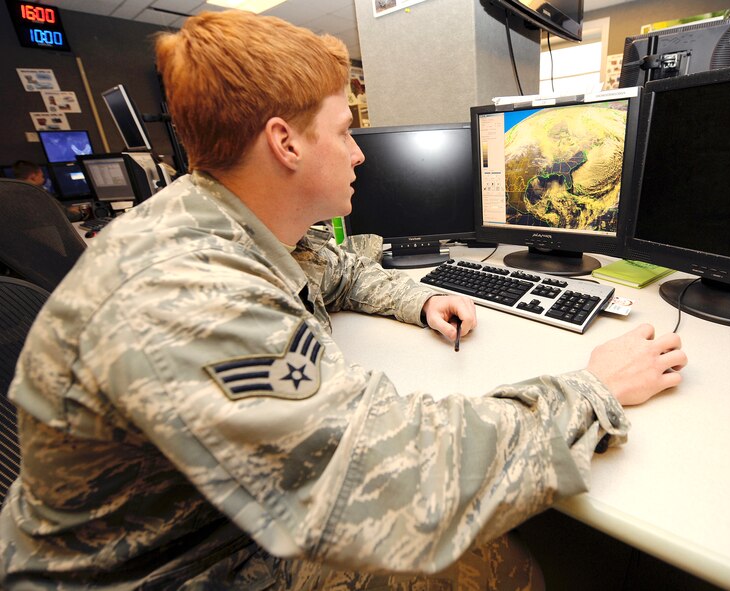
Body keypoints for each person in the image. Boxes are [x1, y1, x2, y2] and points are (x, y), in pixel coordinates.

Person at [0, 11, 687, 590]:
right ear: (285, 142)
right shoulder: (188, 295)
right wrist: (592, 388)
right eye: (343, 129)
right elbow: (397, 482)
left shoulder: (219, 220)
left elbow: (336, 273)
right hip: (177, 569)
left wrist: (417, 302)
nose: (358, 153)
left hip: (207, 521)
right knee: (506, 570)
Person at [12, 159, 84, 222]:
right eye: (42, 176)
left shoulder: (10, 193)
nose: (43, 179)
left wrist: (66, 210)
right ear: (33, 177)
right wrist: (83, 211)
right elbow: (66, 217)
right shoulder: (38, 192)